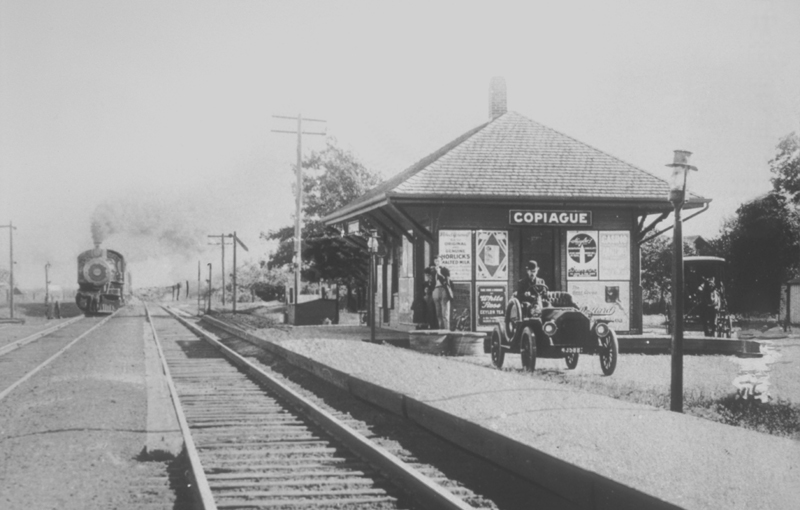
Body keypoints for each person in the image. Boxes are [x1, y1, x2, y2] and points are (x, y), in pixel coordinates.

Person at [427, 256, 453, 330]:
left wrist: (440, 274)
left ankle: (446, 331)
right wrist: (430, 280)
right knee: (438, 314)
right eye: (435, 261)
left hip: (444, 290)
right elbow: (431, 283)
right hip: (436, 290)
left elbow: (447, 282)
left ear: (441, 261)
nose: (437, 263)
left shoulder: (445, 270)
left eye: (438, 261)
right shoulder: (432, 271)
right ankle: (441, 330)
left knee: (445, 313)